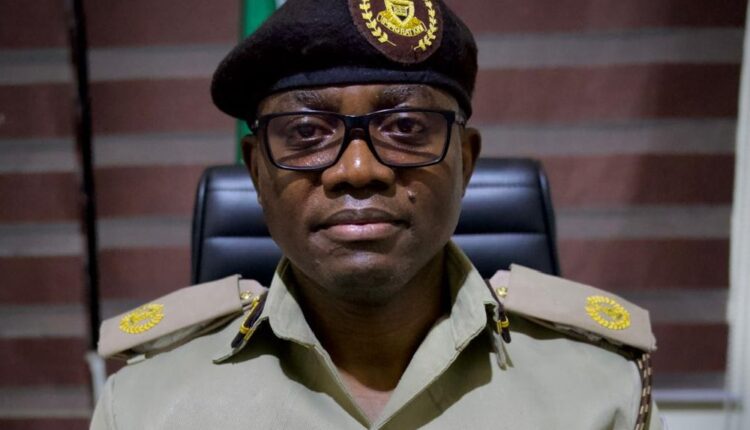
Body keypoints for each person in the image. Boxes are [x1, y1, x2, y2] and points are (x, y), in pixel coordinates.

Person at [90, 0, 663, 428]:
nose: (358, 169)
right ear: (257, 171)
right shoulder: (147, 407)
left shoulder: (599, 392)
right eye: (306, 132)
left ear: (465, 161)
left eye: (406, 127)